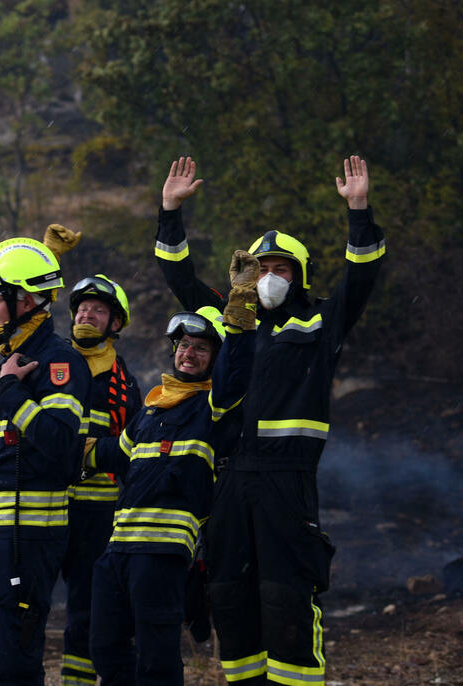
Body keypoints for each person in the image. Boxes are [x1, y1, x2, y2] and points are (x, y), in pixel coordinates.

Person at [157, 155, 385, 684]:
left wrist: (358, 210)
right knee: (229, 600)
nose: (269, 278)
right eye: (261, 269)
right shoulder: (231, 315)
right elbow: (178, 275)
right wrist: (170, 212)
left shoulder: (321, 321)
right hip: (230, 481)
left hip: (287, 482)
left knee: (287, 600)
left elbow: (364, 272)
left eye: (280, 268)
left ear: (298, 275)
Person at [85, 247, 258, 686]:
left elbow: (238, 371)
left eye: (201, 349)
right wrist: (63, 447)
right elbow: (112, 454)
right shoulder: (151, 409)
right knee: (103, 647)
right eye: (183, 345)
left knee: (157, 660)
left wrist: (240, 305)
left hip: (163, 554)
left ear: (213, 359)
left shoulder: (213, 408)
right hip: (118, 550)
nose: (189, 354)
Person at [0, 237, 92, 686]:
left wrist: (11, 392)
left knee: (14, 664)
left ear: (23, 301)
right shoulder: (15, 363)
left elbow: (60, 442)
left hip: (30, 538)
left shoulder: (59, 363)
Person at [61, 273, 142, 686]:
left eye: (99, 310)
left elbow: (135, 450)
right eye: (82, 308)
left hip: (98, 512)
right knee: (25, 602)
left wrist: (91, 453)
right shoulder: (49, 361)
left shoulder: (127, 385)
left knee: (87, 610)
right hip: (45, 506)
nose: (87, 315)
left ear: (116, 323)